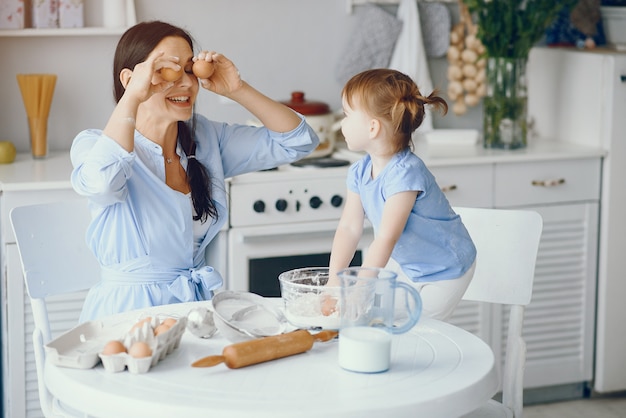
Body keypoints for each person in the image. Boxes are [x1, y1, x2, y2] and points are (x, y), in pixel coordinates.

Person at [71, 21, 319, 322]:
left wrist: (237, 90)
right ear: (130, 79)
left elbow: (299, 141)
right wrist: (133, 98)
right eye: (166, 71)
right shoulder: (95, 145)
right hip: (126, 316)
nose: (187, 83)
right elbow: (103, 184)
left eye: (190, 69)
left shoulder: (207, 140)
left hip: (194, 313)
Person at [328, 68, 476, 320]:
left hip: (445, 270)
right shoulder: (359, 172)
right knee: (383, 324)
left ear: (373, 127)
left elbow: (386, 238)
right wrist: (334, 280)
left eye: (346, 114)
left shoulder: (406, 174)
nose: (341, 122)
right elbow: (349, 229)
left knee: (417, 331)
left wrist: (360, 290)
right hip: (410, 265)